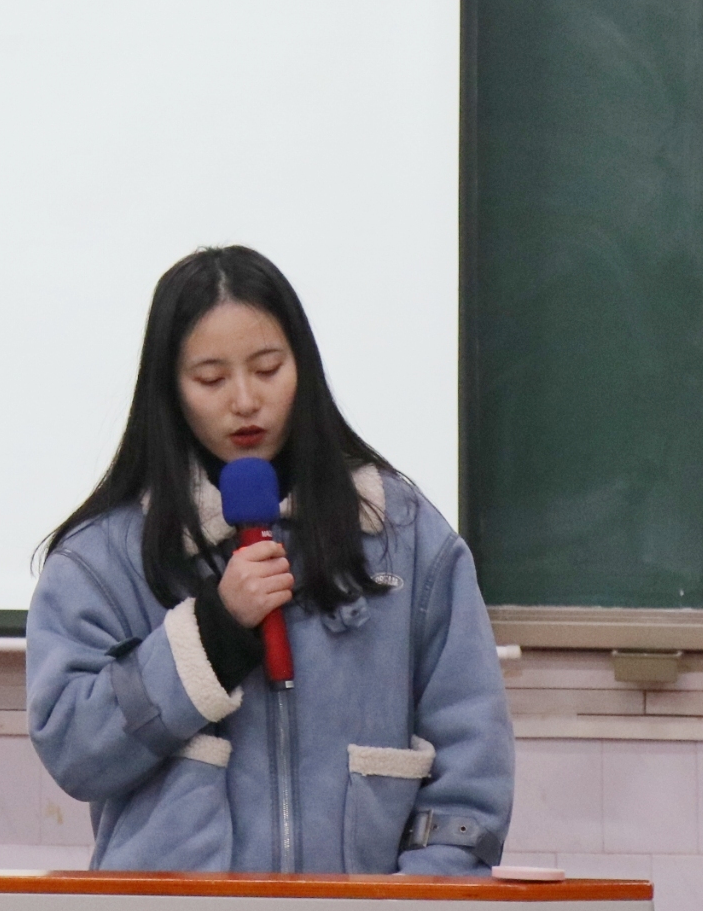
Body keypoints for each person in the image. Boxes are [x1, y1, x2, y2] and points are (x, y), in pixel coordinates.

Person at [26, 246, 513, 874]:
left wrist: (419, 901)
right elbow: (74, 749)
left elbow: (472, 756)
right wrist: (211, 636)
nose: (245, 400)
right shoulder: (103, 557)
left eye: (267, 368)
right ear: (169, 391)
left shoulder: (401, 532)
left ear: (302, 368)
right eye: (210, 379)